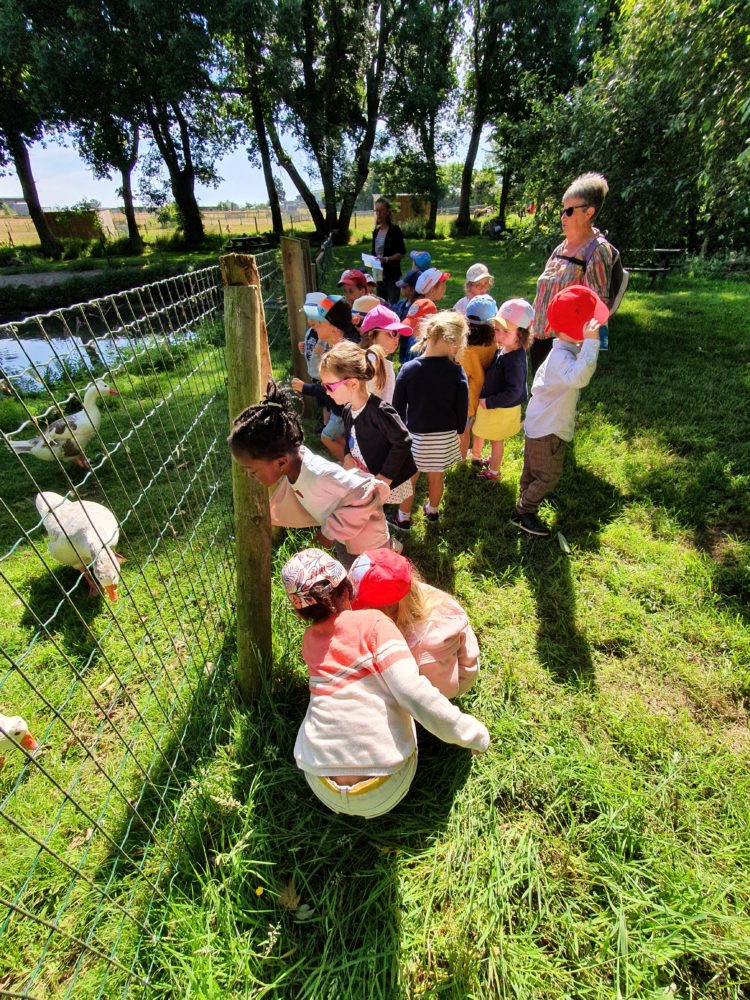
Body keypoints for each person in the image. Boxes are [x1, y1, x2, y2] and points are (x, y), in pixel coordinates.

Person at [281, 548, 489, 818]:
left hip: (320, 784)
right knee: (394, 686)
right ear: (346, 589)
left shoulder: (309, 642)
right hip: (383, 789)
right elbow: (413, 693)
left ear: (302, 614)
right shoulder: (375, 622)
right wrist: (474, 733)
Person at [228, 381, 393, 564]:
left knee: (379, 586)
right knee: (354, 579)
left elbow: (366, 491)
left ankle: (391, 550)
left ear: (281, 462)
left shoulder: (317, 474)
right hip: (346, 538)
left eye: (252, 471)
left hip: (368, 543)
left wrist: (327, 533)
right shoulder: (293, 467)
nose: (251, 476)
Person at [511, 285, 608, 538]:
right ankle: (523, 511)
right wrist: (591, 344)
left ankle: (526, 498)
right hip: (549, 430)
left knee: (532, 471)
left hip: (540, 425)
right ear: (582, 328)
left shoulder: (560, 352)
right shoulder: (562, 359)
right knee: (548, 476)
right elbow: (579, 377)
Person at [349, 548, 480, 699]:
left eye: (362, 607)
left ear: (389, 610)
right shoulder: (406, 592)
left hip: (452, 676)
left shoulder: (427, 646)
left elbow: (445, 691)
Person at [529, 172, 614, 376]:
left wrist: (588, 348)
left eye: (568, 211)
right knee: (540, 397)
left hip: (564, 346)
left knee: (556, 403)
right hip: (539, 338)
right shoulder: (561, 248)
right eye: (562, 210)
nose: (562, 217)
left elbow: (598, 305)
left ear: (588, 212)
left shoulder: (597, 250)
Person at [390, 311, 469, 529]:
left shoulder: (409, 369)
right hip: (444, 438)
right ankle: (432, 512)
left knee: (410, 480)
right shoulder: (456, 371)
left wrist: (398, 436)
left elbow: (396, 409)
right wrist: (460, 430)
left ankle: (403, 518)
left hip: (416, 438)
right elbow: (462, 407)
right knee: (437, 478)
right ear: (454, 342)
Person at [319, 341, 416, 510]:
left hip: (385, 478)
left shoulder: (379, 411)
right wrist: (348, 455)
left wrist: (384, 477)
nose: (326, 392)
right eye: (324, 386)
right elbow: (350, 438)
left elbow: (403, 440)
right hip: (366, 475)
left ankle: (391, 528)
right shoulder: (348, 410)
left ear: (353, 384)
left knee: (376, 512)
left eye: (329, 386)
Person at [473, 298, 534, 482]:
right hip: (496, 407)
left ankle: (493, 472)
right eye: (497, 330)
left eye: (505, 331)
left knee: (496, 440)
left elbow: (515, 391)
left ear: (521, 334)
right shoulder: (505, 349)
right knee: (492, 437)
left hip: (501, 409)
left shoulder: (515, 360)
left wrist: (490, 402)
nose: (498, 335)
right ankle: (493, 460)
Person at [292, 295, 359, 459]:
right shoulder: (340, 346)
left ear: (334, 329)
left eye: (319, 323)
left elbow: (329, 388)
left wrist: (305, 388)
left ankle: (354, 466)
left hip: (352, 415)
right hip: (348, 414)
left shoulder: (340, 357)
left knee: (332, 438)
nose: (315, 327)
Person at [456, 294, 497, 463]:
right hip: (487, 396)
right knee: (479, 429)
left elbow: (463, 374)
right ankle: (476, 454)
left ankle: (461, 459)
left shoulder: (465, 348)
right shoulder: (493, 344)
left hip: (467, 399)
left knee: (464, 430)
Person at [358, 304, 410, 404]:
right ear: (372, 335)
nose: (397, 338)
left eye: (398, 334)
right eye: (393, 333)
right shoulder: (377, 365)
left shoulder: (357, 359)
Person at [372, 198, 407, 304]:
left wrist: (386, 259)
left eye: (381, 210)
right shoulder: (376, 231)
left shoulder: (394, 230)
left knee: (392, 304)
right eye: (377, 210)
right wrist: (372, 259)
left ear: (387, 211)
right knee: (380, 304)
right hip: (378, 273)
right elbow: (374, 252)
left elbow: (402, 253)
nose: (379, 213)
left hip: (392, 274)